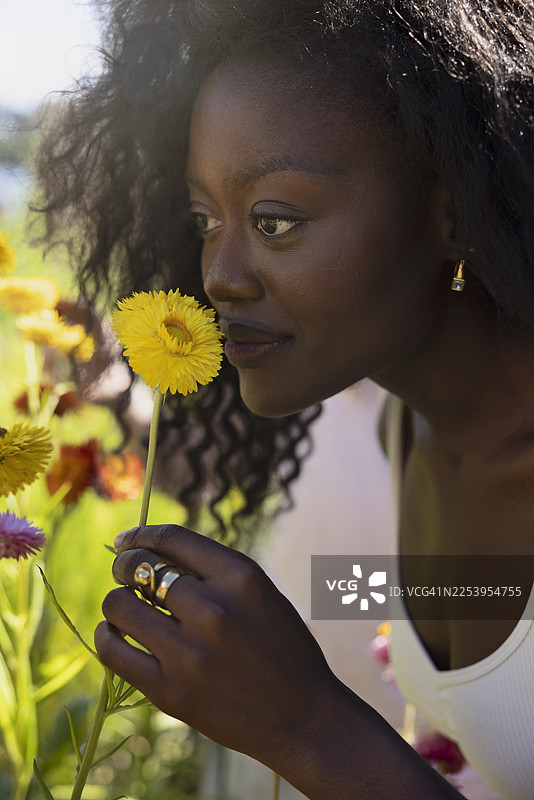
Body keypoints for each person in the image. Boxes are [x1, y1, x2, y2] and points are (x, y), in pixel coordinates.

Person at [34, 1, 534, 798]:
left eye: (274, 219)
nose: (217, 275)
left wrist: (307, 724)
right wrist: (265, 631)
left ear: (455, 205)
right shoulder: (413, 429)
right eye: (204, 220)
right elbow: (472, 592)